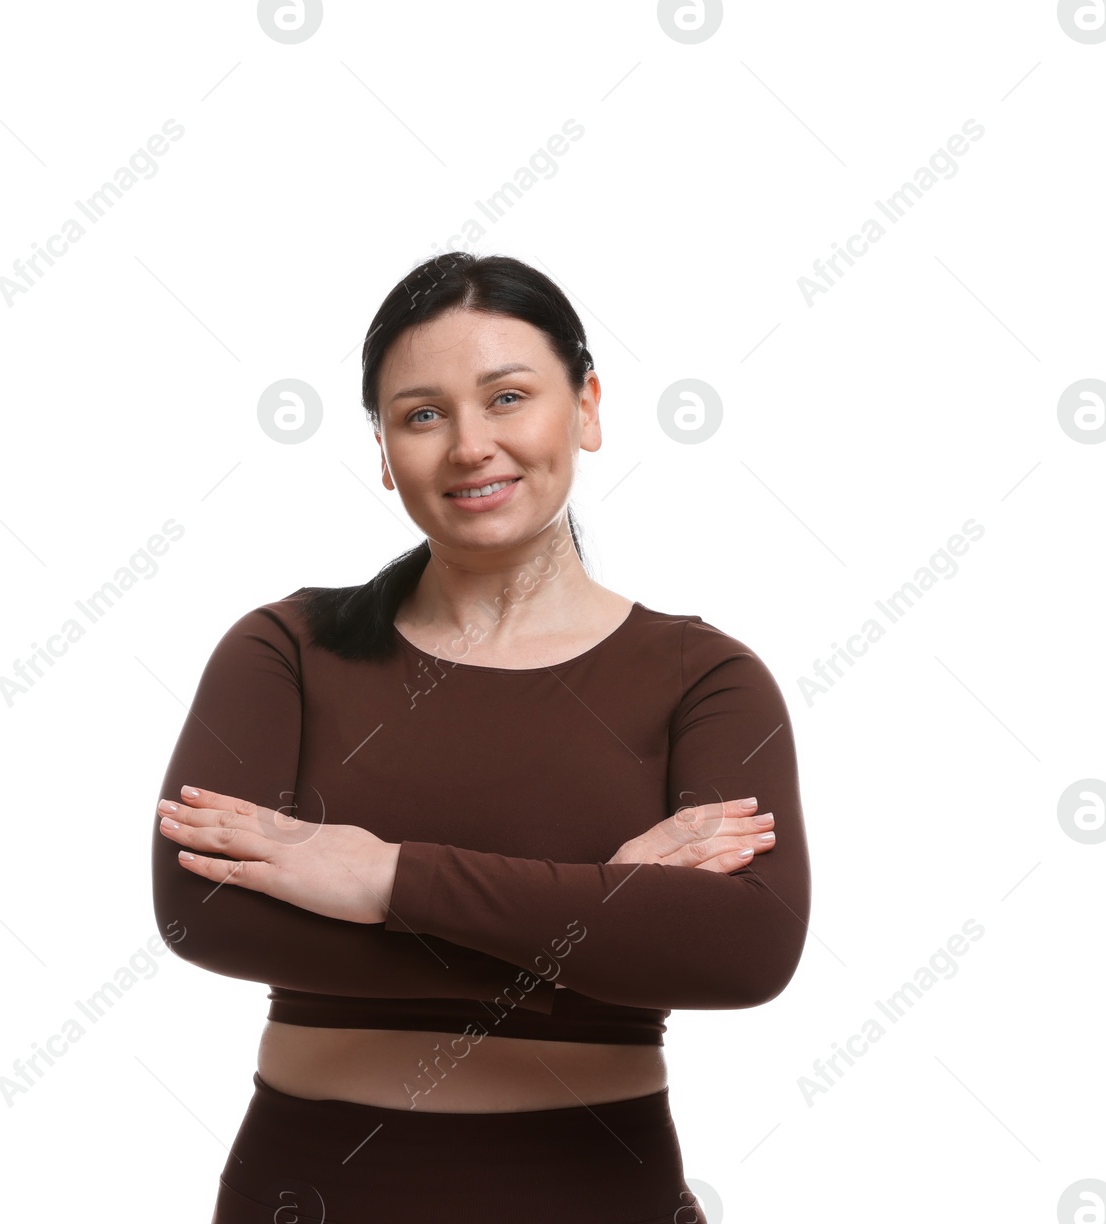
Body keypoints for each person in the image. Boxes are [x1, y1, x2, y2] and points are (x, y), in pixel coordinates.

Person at [150, 251, 811, 1223]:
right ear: (382, 452)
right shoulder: (285, 652)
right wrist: (599, 917)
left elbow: (743, 950)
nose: (470, 446)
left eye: (508, 397)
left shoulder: (702, 679)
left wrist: (380, 881)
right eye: (422, 415)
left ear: (585, 407)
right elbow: (201, 909)